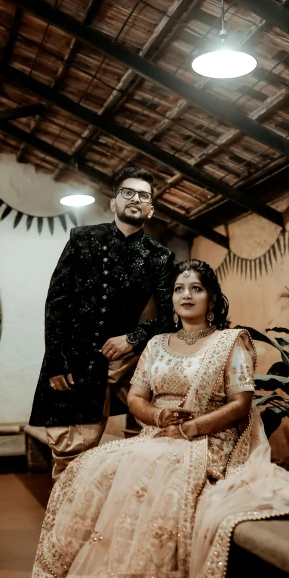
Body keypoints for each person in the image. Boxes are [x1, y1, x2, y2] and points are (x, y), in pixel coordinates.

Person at [26, 259, 289, 578]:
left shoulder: (232, 341)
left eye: (195, 288)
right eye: (179, 289)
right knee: (89, 468)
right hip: (156, 436)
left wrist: (193, 429)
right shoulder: (157, 344)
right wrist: (160, 417)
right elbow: (138, 398)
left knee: (156, 474)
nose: (186, 295)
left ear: (211, 297)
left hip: (209, 441)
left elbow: (240, 404)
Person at [29, 166, 175, 479]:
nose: (135, 199)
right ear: (113, 203)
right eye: (128, 192)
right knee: (68, 454)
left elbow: (169, 316)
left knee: (152, 434)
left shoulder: (159, 256)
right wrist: (56, 360)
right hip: (73, 359)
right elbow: (57, 300)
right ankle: (64, 524)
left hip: (121, 360)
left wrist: (133, 338)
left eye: (144, 195)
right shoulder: (82, 239)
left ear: (151, 209)